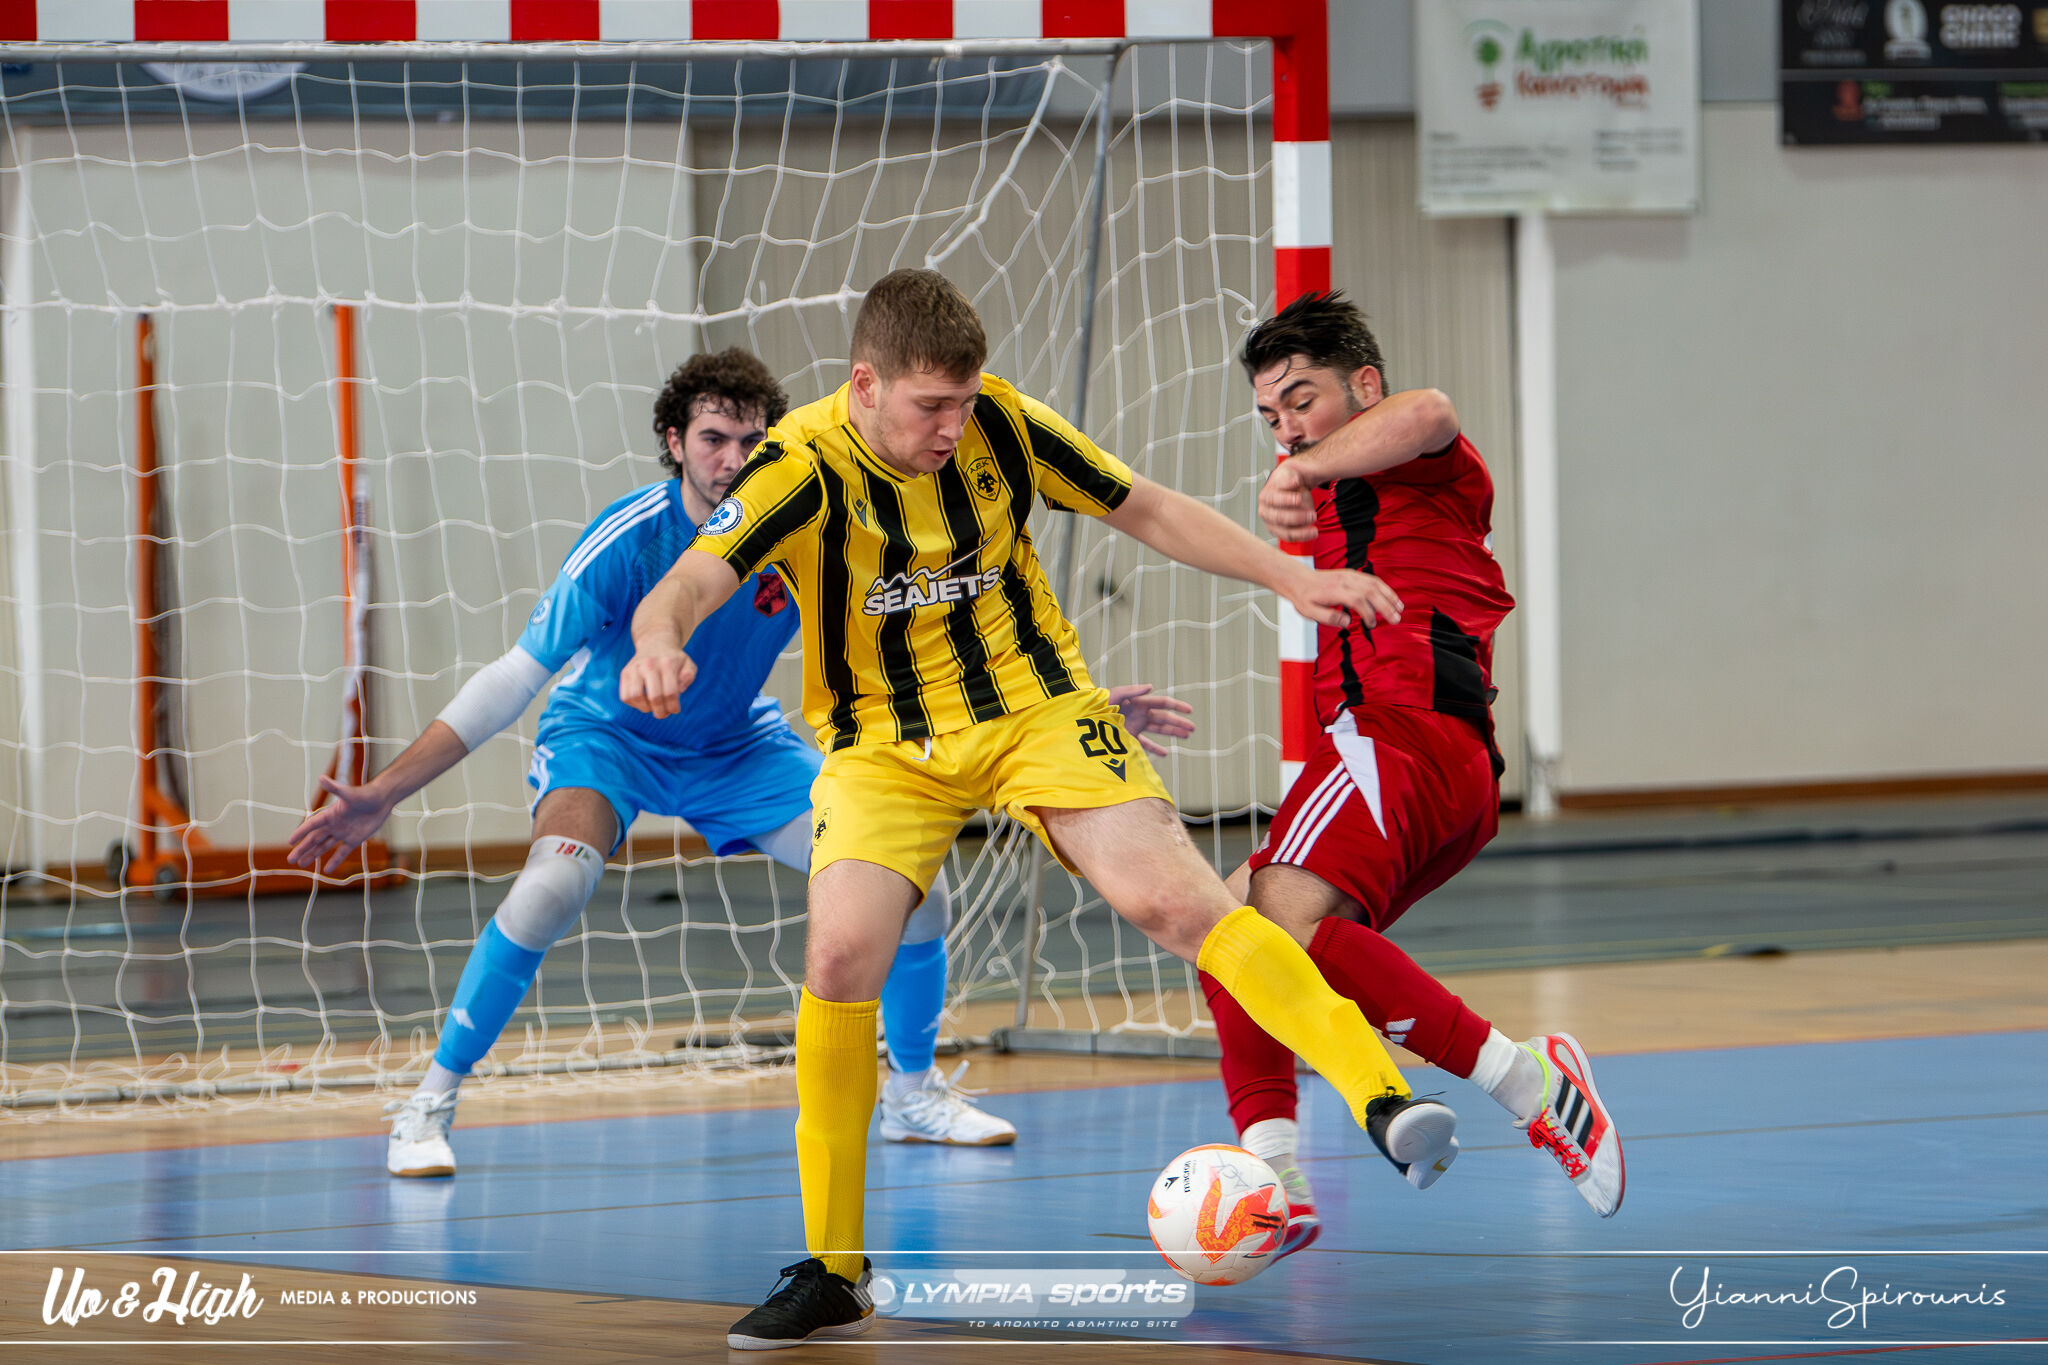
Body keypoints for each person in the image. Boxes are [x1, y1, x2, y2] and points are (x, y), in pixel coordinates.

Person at [618, 270, 1459, 1350]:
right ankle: (832, 1268)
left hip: (1036, 709)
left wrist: (1287, 578)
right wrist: (655, 641)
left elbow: (1143, 504)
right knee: (837, 963)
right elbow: (688, 580)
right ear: (864, 386)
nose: (952, 425)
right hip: (883, 748)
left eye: (963, 402)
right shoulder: (799, 465)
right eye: (930, 406)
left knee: (1179, 902)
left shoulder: (1001, 425)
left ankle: (1380, 1096)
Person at [288, 348, 1158, 1174]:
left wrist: (1056, 705)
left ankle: (912, 1091)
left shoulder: (799, 532)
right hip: (608, 740)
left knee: (920, 888)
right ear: (675, 441)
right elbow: (515, 677)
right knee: (551, 886)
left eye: (750, 440)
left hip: (738, 745)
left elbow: (928, 630)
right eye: (713, 437)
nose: (732, 457)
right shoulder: (628, 538)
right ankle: (430, 1102)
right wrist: (381, 794)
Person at [1202, 291, 1625, 1261]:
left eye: (1299, 400)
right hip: (1441, 765)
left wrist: (1302, 461)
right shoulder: (1342, 499)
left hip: (1399, 736)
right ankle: (1275, 1174)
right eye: (1269, 417)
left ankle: (1533, 1089)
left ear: (1361, 384)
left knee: (1269, 919)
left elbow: (1429, 410)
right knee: (1226, 933)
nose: (1285, 430)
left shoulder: (1415, 455)